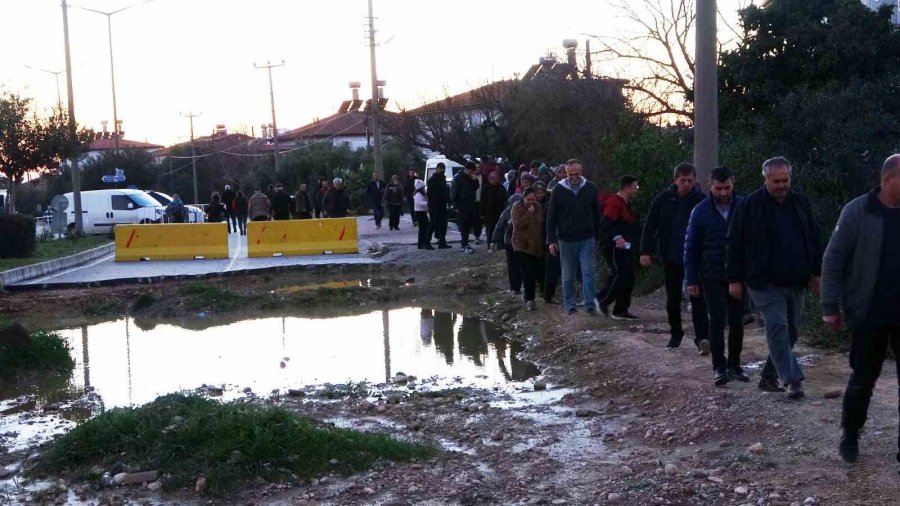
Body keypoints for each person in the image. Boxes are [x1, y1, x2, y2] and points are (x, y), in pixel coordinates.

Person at [821, 154, 900, 464]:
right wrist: (830, 306)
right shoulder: (858, 211)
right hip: (869, 312)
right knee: (863, 379)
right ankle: (850, 435)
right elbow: (834, 258)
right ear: (889, 180)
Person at [727, 156, 822, 399]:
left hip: (796, 280)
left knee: (791, 333)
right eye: (776, 181)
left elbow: (813, 239)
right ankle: (792, 381)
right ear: (765, 179)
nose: (781, 185)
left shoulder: (800, 203)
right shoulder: (749, 206)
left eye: (785, 180)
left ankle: (768, 376)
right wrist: (734, 279)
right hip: (763, 282)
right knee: (778, 326)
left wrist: (816, 273)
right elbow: (735, 244)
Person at [684, 166, 748, 386]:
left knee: (738, 321)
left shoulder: (744, 206)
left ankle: (735, 365)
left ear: (733, 185)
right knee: (717, 320)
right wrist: (691, 279)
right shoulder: (700, 211)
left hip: (738, 274)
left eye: (727, 188)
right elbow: (691, 247)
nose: (723, 192)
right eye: (719, 188)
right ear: (710, 186)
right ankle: (719, 367)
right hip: (710, 274)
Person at [640, 163, 709, 352]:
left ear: (695, 181)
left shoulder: (702, 201)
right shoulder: (663, 200)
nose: (686, 184)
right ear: (675, 180)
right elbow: (650, 225)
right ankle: (676, 334)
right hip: (671, 256)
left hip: (695, 258)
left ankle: (702, 337)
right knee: (673, 299)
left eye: (690, 181)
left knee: (697, 298)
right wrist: (646, 251)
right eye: (682, 180)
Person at [546, 159, 601, 316]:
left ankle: (590, 304)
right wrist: (551, 240)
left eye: (577, 173)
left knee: (588, 272)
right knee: (568, 274)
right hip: (566, 238)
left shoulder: (590, 188)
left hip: (587, 237)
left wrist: (598, 237)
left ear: (582, 171)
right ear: (566, 172)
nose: (574, 177)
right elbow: (551, 218)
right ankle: (570, 305)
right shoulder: (558, 190)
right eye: (571, 174)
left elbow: (597, 214)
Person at [597, 176, 641, 320]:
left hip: (625, 246)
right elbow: (606, 223)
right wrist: (617, 237)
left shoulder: (625, 203)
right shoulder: (614, 202)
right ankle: (603, 301)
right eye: (635, 187)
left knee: (629, 276)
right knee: (621, 274)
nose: (636, 190)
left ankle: (621, 310)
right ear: (627, 187)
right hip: (613, 246)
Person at [511, 187, 545, 311]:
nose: (531, 202)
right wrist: (528, 213)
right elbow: (518, 225)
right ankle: (531, 299)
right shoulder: (517, 206)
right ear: (523, 198)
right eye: (528, 199)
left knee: (536, 272)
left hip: (536, 245)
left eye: (533, 199)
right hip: (521, 245)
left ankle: (528, 294)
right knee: (527, 272)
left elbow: (540, 223)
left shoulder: (538, 207)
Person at [493, 194, 524, 294]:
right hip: (510, 243)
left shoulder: (525, 211)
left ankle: (521, 286)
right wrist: (494, 240)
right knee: (512, 266)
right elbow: (499, 226)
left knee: (522, 265)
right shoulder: (506, 212)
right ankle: (515, 288)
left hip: (522, 243)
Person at [452, 161, 480, 253]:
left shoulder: (470, 178)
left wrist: (474, 179)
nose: (472, 173)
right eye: (472, 171)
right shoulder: (458, 178)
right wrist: (455, 205)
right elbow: (454, 192)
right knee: (463, 225)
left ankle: (466, 242)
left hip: (470, 204)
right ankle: (464, 244)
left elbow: (476, 187)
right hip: (462, 205)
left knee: (468, 224)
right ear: (467, 169)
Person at [480, 171, 508, 252]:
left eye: (494, 179)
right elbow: (482, 202)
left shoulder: (501, 187)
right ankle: (490, 246)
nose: (492, 181)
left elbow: (505, 199)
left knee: (500, 228)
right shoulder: (485, 188)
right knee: (490, 230)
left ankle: (500, 245)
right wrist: (482, 213)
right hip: (488, 213)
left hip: (499, 211)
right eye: (491, 179)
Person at [427, 163, 451, 249]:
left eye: (443, 168)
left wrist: (448, 200)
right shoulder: (432, 180)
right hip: (435, 205)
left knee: (443, 224)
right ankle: (427, 242)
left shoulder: (443, 179)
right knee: (433, 224)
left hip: (442, 205)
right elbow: (430, 194)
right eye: (440, 168)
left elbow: (445, 191)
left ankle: (442, 242)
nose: (442, 170)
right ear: (437, 169)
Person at [413, 179, 433, 249]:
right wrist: (428, 203)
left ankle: (421, 243)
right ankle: (422, 243)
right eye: (423, 186)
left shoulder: (421, 193)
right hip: (420, 212)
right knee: (423, 228)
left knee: (424, 228)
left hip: (422, 212)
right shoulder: (418, 194)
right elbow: (419, 203)